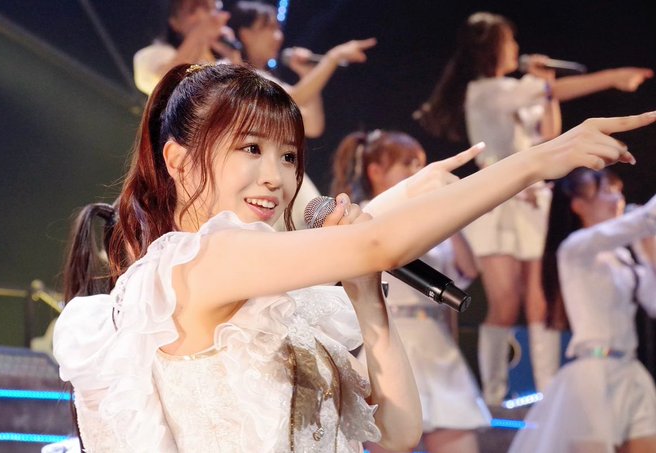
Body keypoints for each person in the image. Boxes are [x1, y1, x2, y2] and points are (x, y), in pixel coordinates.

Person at [52, 62, 654, 452]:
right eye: (251, 149)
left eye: (289, 156)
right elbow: (375, 242)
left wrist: (368, 296)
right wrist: (536, 160)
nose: (276, 177)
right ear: (179, 162)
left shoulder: (283, 298)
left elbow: (399, 432)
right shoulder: (199, 260)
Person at [414, 11, 654, 404]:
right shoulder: (485, 91)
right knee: (505, 302)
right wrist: (611, 77)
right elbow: (552, 95)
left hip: (532, 201)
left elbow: (548, 135)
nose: (516, 48)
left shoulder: (520, 90)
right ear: (491, 47)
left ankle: (547, 394)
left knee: (540, 302)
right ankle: (494, 395)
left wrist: (547, 88)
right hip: (497, 202)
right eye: (509, 41)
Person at [330, 129, 490, 453]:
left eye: (420, 164)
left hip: (437, 346)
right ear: (376, 171)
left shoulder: (434, 220)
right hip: (390, 338)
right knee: (389, 436)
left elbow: (469, 270)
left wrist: (447, 214)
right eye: (407, 164)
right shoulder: (364, 216)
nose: (418, 172)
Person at [508, 169, 656, 452]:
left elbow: (653, 302)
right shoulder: (574, 249)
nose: (617, 199)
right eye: (607, 192)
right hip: (592, 376)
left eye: (618, 191)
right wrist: (643, 223)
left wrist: (649, 253)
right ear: (578, 205)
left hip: (630, 371)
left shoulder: (623, 257)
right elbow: (636, 223)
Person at [227, 0, 376, 230]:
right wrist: (333, 58)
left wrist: (307, 73)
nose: (278, 37)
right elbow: (293, 98)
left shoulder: (269, 80)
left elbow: (313, 125)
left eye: (278, 29)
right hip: (257, 179)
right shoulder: (235, 76)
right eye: (269, 28)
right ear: (245, 34)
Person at [133, 0, 241, 96]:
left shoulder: (223, 61)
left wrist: (234, 59)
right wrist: (200, 34)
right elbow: (166, 85)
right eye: (192, 10)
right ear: (174, 22)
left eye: (211, 8)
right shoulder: (151, 55)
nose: (203, 16)